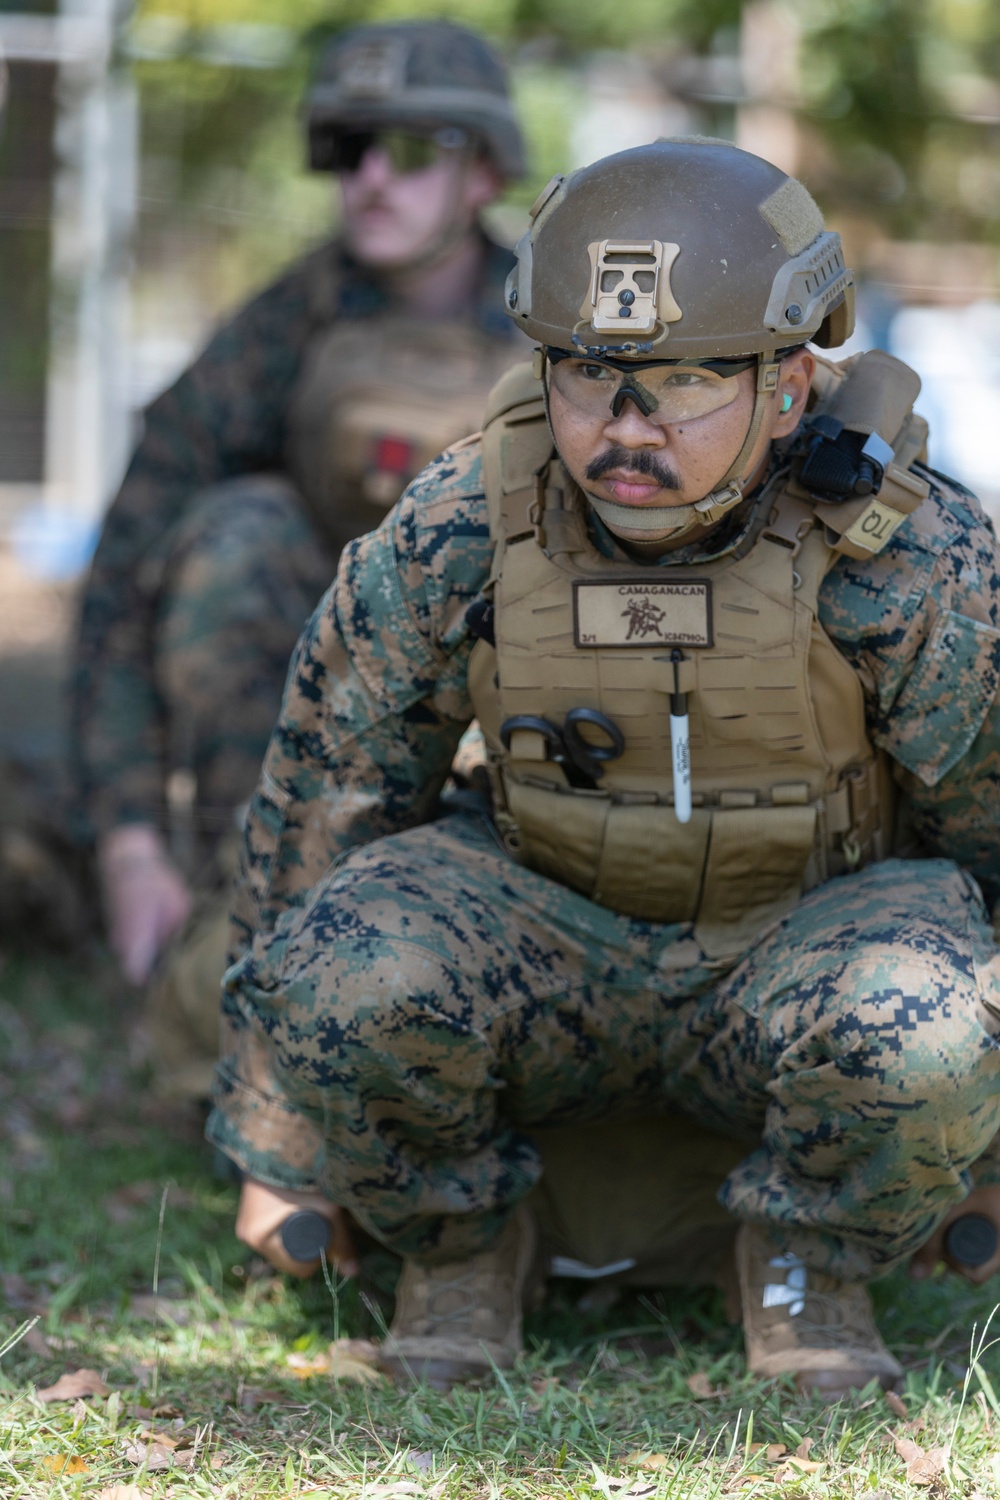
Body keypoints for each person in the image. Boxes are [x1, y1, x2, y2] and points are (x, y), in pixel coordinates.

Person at [207, 139, 1000, 1397]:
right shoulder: (466, 519)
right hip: (546, 932)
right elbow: (328, 799)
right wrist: (278, 1133)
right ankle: (464, 1250)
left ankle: (806, 1264)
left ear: (789, 385)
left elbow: (986, 833)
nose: (624, 429)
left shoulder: (899, 556)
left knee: (937, 1005)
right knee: (342, 963)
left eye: (681, 381)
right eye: (588, 376)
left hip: (798, 947)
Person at [69, 20, 527, 1097]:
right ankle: (240, 929)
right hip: (310, 712)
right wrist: (128, 842)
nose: (371, 177)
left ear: (484, 173)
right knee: (239, 528)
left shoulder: (553, 333)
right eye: (348, 147)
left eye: (412, 151)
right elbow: (122, 575)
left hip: (496, 713)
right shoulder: (280, 332)